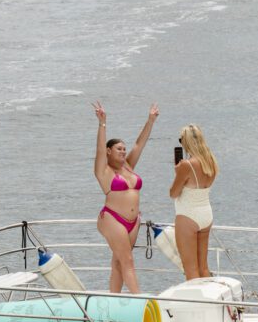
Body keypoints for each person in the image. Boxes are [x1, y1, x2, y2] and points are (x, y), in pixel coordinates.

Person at [93, 100, 159, 293]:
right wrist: (102, 122)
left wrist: (151, 121)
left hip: (133, 222)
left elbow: (140, 144)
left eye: (123, 148)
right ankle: (140, 302)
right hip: (113, 219)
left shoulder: (128, 166)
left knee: (119, 262)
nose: (123, 151)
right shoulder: (103, 171)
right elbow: (98, 150)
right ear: (108, 151)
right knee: (128, 261)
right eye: (118, 148)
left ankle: (113, 301)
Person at [169, 124, 218, 280]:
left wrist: (177, 173)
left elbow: (173, 193)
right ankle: (208, 302)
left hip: (188, 215)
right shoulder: (211, 161)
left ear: (187, 142)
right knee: (203, 268)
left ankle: (197, 304)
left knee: (190, 269)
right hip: (206, 214)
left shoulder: (186, 165)